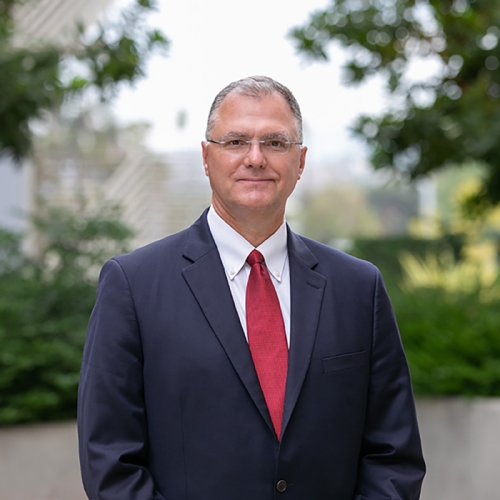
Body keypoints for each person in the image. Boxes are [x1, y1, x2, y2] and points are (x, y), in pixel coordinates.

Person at [78, 75, 425, 499]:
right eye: (236, 141)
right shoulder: (133, 285)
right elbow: (110, 460)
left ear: (300, 161)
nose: (255, 158)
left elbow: (393, 456)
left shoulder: (358, 288)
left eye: (275, 143)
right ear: (207, 158)